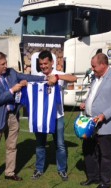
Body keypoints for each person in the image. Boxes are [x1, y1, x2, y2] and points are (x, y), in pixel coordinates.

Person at [0, 51, 49, 186]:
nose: (6, 66)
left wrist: (45, 78)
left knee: (12, 147)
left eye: (6, 63)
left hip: (13, 116)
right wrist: (12, 90)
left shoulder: (11, 72)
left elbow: (26, 77)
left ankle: (10, 173)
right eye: (2, 64)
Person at [79, 53, 111, 188]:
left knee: (106, 155)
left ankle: (105, 182)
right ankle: (93, 177)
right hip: (90, 123)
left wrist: (103, 115)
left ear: (103, 65)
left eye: (94, 66)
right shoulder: (96, 77)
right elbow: (95, 96)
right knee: (88, 151)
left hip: (106, 125)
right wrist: (86, 103)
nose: (92, 68)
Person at [31, 50, 77, 181]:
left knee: (60, 145)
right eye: (41, 64)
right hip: (41, 117)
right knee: (40, 144)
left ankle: (62, 170)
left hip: (57, 116)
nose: (43, 66)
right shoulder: (38, 76)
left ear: (52, 62)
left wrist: (57, 78)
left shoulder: (59, 74)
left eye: (45, 63)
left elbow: (74, 78)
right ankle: (39, 169)